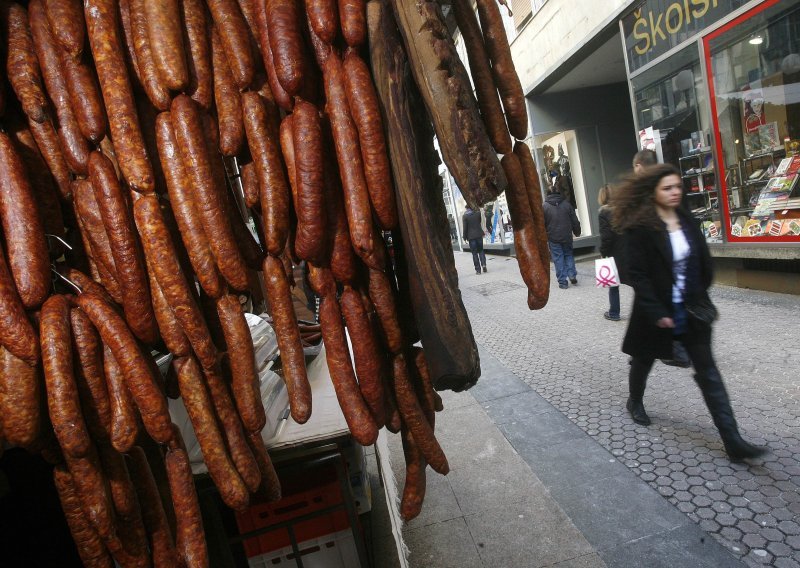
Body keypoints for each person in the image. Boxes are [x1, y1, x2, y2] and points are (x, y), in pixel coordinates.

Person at [612, 164, 766, 461]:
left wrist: (701, 293)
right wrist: (657, 310)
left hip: (692, 309)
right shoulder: (640, 228)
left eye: (677, 187)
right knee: (643, 360)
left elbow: (701, 258)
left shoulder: (685, 218)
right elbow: (637, 274)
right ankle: (635, 401)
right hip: (656, 311)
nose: (674, 192)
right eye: (667, 188)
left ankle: (732, 441)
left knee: (708, 371)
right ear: (652, 192)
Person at [597, 184, 627, 321]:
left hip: (614, 252)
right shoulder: (622, 210)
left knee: (613, 285)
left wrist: (603, 252)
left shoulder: (603, 213)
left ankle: (614, 312)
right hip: (627, 250)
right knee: (635, 280)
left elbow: (606, 237)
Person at [543, 182, 581, 289]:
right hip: (567, 235)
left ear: (547, 194)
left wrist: (543, 237)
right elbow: (574, 220)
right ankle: (572, 274)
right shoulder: (566, 204)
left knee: (558, 258)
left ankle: (563, 282)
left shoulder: (544, 207)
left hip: (553, 237)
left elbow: (541, 224)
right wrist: (577, 231)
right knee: (568, 254)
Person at [462, 206, 487, 274]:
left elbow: (465, 228)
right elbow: (479, 222)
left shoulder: (465, 216)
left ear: (466, 208)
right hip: (479, 235)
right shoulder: (478, 213)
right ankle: (484, 265)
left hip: (471, 237)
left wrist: (464, 237)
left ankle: (478, 270)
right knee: (481, 250)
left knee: (474, 253)